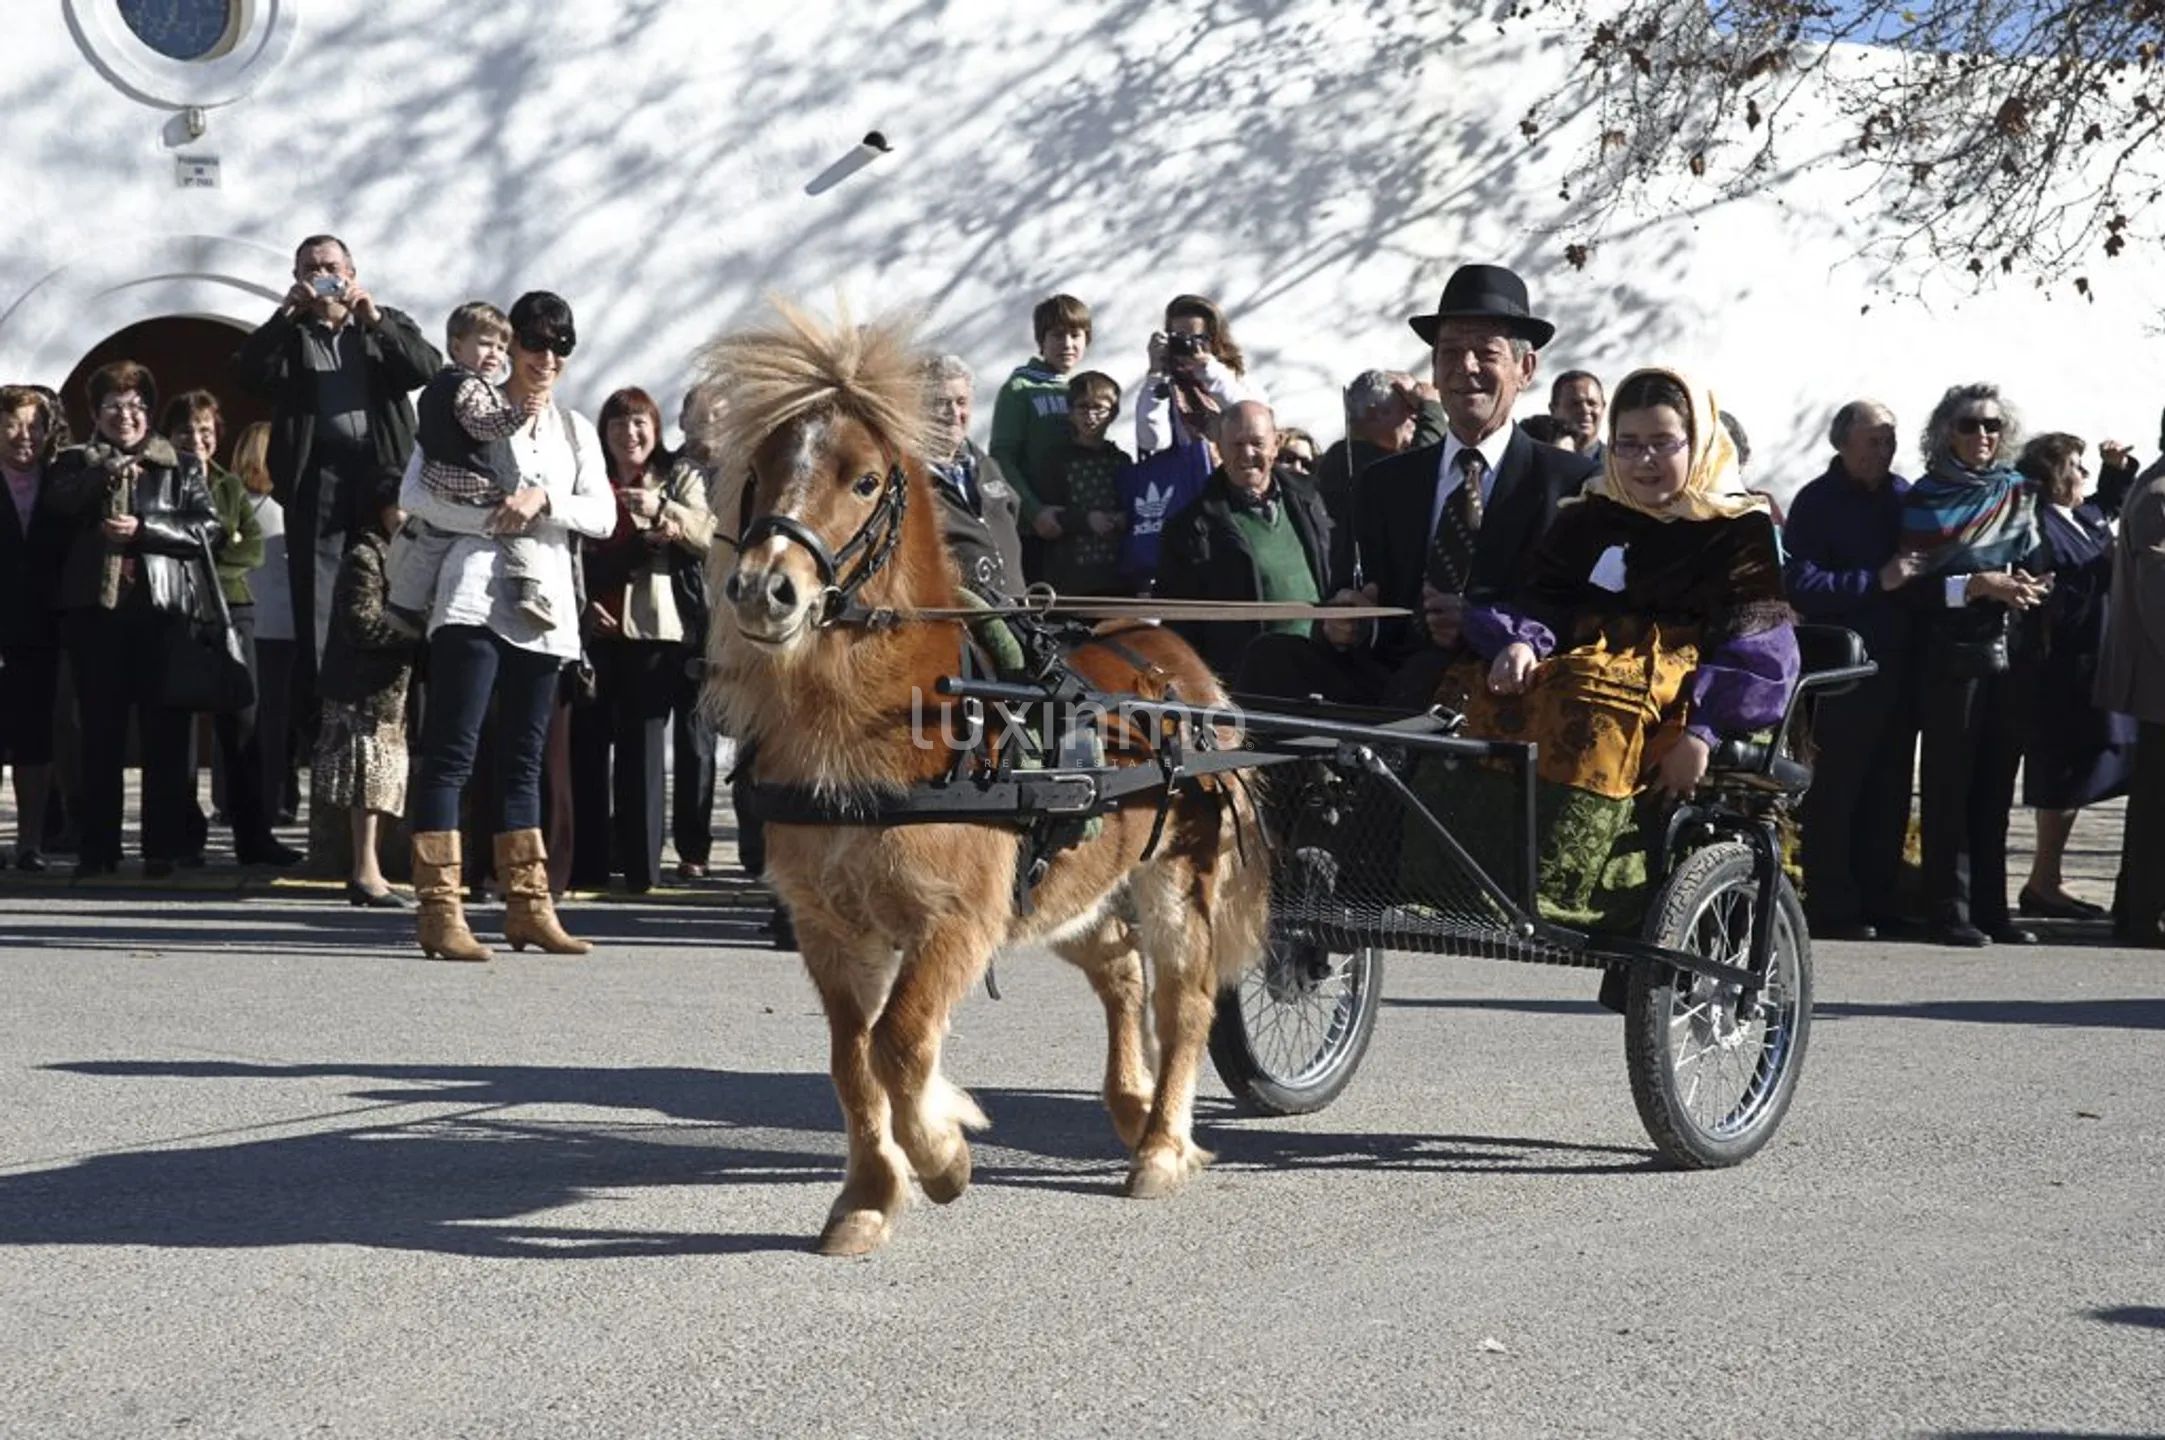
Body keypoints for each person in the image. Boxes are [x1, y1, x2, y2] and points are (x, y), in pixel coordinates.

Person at [1436, 367, 1797, 936]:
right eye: (1627, 444)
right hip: (1584, 661)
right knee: (1477, 690)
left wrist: (1702, 733)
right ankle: (1467, 877)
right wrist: (1519, 642)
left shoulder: (1736, 528)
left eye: (1663, 444)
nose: (1644, 461)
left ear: (1696, 442)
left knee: (1597, 706)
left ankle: (1570, 891)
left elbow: (1759, 649)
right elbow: (1544, 598)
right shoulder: (1592, 512)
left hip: (1689, 680)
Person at [1242, 263, 1598, 708]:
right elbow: (1347, 596)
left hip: (1492, 689)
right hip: (1383, 681)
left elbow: (1572, 609)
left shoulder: (1569, 483)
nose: (1465, 368)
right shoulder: (1383, 483)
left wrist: (1479, 626)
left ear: (1525, 369)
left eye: (1486, 353)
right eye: (1449, 353)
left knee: (1429, 676)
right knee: (1269, 659)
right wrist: (1341, 621)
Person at [399, 292, 615, 960]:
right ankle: (440, 912)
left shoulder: (575, 430)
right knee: (451, 755)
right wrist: (497, 518)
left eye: (558, 348)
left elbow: (603, 516)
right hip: (471, 598)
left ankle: (527, 906)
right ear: (511, 347)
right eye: (532, 345)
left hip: (546, 609)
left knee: (524, 762)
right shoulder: (469, 408)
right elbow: (413, 496)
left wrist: (543, 500)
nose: (544, 359)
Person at [230, 234, 441, 688]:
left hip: (383, 475)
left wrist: (376, 321)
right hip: (318, 478)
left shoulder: (383, 323)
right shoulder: (291, 335)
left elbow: (425, 369)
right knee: (319, 598)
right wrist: (285, 315)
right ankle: (325, 716)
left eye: (330, 267)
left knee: (394, 584)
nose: (321, 276)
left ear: (351, 273)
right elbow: (247, 373)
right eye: (309, 269)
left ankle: (396, 707)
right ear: (296, 279)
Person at [43, 361, 222, 879]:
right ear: (95, 414)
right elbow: (58, 507)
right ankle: (97, 849)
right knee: (98, 734)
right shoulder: (74, 462)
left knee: (165, 736)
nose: (126, 416)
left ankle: (162, 848)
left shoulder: (179, 464)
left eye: (136, 405)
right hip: (94, 617)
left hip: (161, 613)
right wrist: (104, 473)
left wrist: (146, 529)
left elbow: (206, 529)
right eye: (114, 406)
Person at [1896, 383, 2049, 948]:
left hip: (2010, 654)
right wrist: (1974, 585)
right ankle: (1948, 910)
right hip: (1949, 657)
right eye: (1968, 425)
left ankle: (1993, 907)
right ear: (1945, 432)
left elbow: (2037, 564)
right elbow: (1908, 587)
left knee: (1995, 788)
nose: (1982, 436)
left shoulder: (2020, 494)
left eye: (1991, 426)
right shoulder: (1925, 498)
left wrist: (2030, 586)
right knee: (1948, 785)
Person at [1784, 400, 1922, 939]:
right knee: (1837, 790)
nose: (1883, 452)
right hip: (1843, 670)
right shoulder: (1817, 503)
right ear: (1842, 443)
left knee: (1890, 788)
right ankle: (1832, 906)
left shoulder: (1903, 496)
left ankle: (1880, 899)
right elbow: (1802, 584)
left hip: (1899, 662)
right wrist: (1875, 580)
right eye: (1873, 441)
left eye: (1889, 440)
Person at [571, 386, 716, 894]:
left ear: (656, 430)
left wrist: (662, 510)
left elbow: (708, 534)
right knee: (587, 749)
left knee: (644, 753)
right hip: (594, 627)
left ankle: (640, 867)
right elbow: (567, 544)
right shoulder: (588, 476)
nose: (628, 435)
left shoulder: (681, 476)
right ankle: (586, 863)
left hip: (657, 631)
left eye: (638, 425)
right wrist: (582, 603)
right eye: (617, 425)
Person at [163, 391, 301, 868]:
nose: (196, 440)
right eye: (186, 431)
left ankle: (253, 834)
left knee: (243, 724)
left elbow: (251, 548)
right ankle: (180, 835)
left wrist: (210, 560)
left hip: (233, 611)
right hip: (179, 613)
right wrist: (213, 549)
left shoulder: (229, 487)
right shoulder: (160, 481)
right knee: (176, 729)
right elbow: (170, 545)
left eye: (205, 431)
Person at [2011, 433, 2136, 919]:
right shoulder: (2038, 524)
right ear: (2053, 477)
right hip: (2063, 666)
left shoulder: (2080, 515)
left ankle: (2048, 879)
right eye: (2076, 467)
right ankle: (2043, 880)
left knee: (2093, 762)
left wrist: (2114, 467)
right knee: (2065, 768)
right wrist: (2094, 573)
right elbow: (2049, 593)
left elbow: (2108, 504)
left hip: (2097, 658)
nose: (2082, 475)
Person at [383, 302, 548, 635]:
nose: (495, 354)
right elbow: (481, 426)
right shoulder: (471, 386)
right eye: (485, 343)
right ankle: (527, 590)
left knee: (432, 539)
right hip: (475, 484)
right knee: (516, 528)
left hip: (439, 485)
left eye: (502, 348)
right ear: (457, 346)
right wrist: (517, 415)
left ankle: (404, 603)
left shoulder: (436, 387)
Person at [1155, 401, 1332, 676]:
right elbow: (1180, 628)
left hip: (1324, 665)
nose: (1247, 453)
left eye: (1257, 443)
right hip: (1247, 681)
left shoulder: (1314, 500)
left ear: (1275, 446)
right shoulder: (1189, 529)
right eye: (1236, 444)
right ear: (1219, 449)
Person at [313, 504, 416, 906]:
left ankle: (373, 869)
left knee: (387, 782)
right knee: (367, 784)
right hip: (362, 691)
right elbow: (362, 624)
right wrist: (418, 630)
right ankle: (364, 870)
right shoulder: (365, 555)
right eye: (399, 505)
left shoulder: (408, 554)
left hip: (394, 692)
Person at [2094, 440, 2165, 948]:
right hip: (2158, 675)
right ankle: (2140, 914)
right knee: (2155, 804)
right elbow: (2159, 593)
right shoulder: (2160, 494)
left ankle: (2137, 907)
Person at [1, 385, 68, 870]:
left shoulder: (61, 482)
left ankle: (30, 843)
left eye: (34, 426)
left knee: (34, 738)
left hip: (43, 631)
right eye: (12, 426)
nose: (25, 436)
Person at [1311, 369, 1445, 586]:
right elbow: (1417, 482)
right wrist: (1431, 410)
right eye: (1408, 409)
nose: (1414, 419)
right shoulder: (1349, 461)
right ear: (1373, 414)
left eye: (1416, 412)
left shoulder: (1361, 457)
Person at [231, 422, 301, 827]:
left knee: (252, 718)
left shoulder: (238, 502)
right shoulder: (279, 509)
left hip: (252, 624)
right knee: (277, 723)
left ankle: (249, 797)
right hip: (280, 628)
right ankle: (277, 796)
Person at [991, 294, 1092, 566]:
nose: (1068, 344)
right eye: (1058, 335)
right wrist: (1033, 512)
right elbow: (1002, 457)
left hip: (1078, 529)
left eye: (1075, 334)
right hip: (1035, 531)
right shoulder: (1019, 389)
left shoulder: (1085, 391)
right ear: (1041, 340)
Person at [924, 355, 1025, 601]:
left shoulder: (986, 466)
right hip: (958, 620)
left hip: (1017, 610)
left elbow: (1012, 514)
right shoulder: (912, 477)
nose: (954, 413)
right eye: (941, 402)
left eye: (961, 402)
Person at [1030, 371, 1132, 598]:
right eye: (1083, 407)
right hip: (1073, 579)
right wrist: (1086, 521)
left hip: (1118, 576)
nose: (1091, 416)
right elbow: (1049, 515)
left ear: (1113, 414)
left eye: (1099, 408)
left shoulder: (1120, 460)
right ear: (1070, 413)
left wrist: (1122, 518)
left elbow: (1132, 506)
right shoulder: (1056, 460)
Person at [1134, 294, 1267, 456]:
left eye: (1196, 338)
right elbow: (1152, 440)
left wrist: (1208, 370)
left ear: (1215, 339)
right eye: (1179, 338)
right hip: (1186, 477)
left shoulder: (1234, 379)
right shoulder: (1165, 383)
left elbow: (1252, 424)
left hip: (1232, 474)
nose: (1187, 344)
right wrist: (1155, 373)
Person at [1547, 369, 1605, 460]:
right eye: (1575, 404)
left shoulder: (1618, 464)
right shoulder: (1536, 462)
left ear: (1603, 407)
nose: (1585, 410)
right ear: (1553, 410)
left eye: (1592, 403)